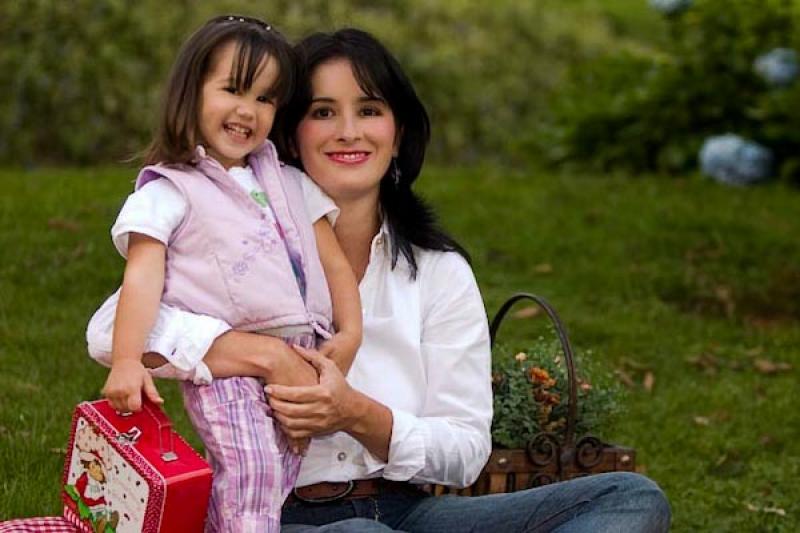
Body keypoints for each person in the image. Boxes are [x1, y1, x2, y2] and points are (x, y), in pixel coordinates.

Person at [88, 27, 671, 532]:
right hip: (282, 515)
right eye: (322, 112)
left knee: (628, 499)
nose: (349, 131)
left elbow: (466, 453)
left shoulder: (438, 272)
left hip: (410, 512)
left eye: (369, 110)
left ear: (396, 133)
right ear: (286, 135)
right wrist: (263, 355)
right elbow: (109, 331)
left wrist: (357, 415)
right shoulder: (239, 247)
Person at [93, 16, 362, 532]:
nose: (248, 111)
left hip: (300, 359)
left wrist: (350, 333)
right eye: (233, 89)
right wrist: (128, 359)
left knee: (275, 483)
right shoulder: (169, 190)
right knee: (248, 475)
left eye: (265, 98)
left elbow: (333, 263)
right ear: (191, 91)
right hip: (230, 366)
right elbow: (142, 277)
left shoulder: (287, 182)